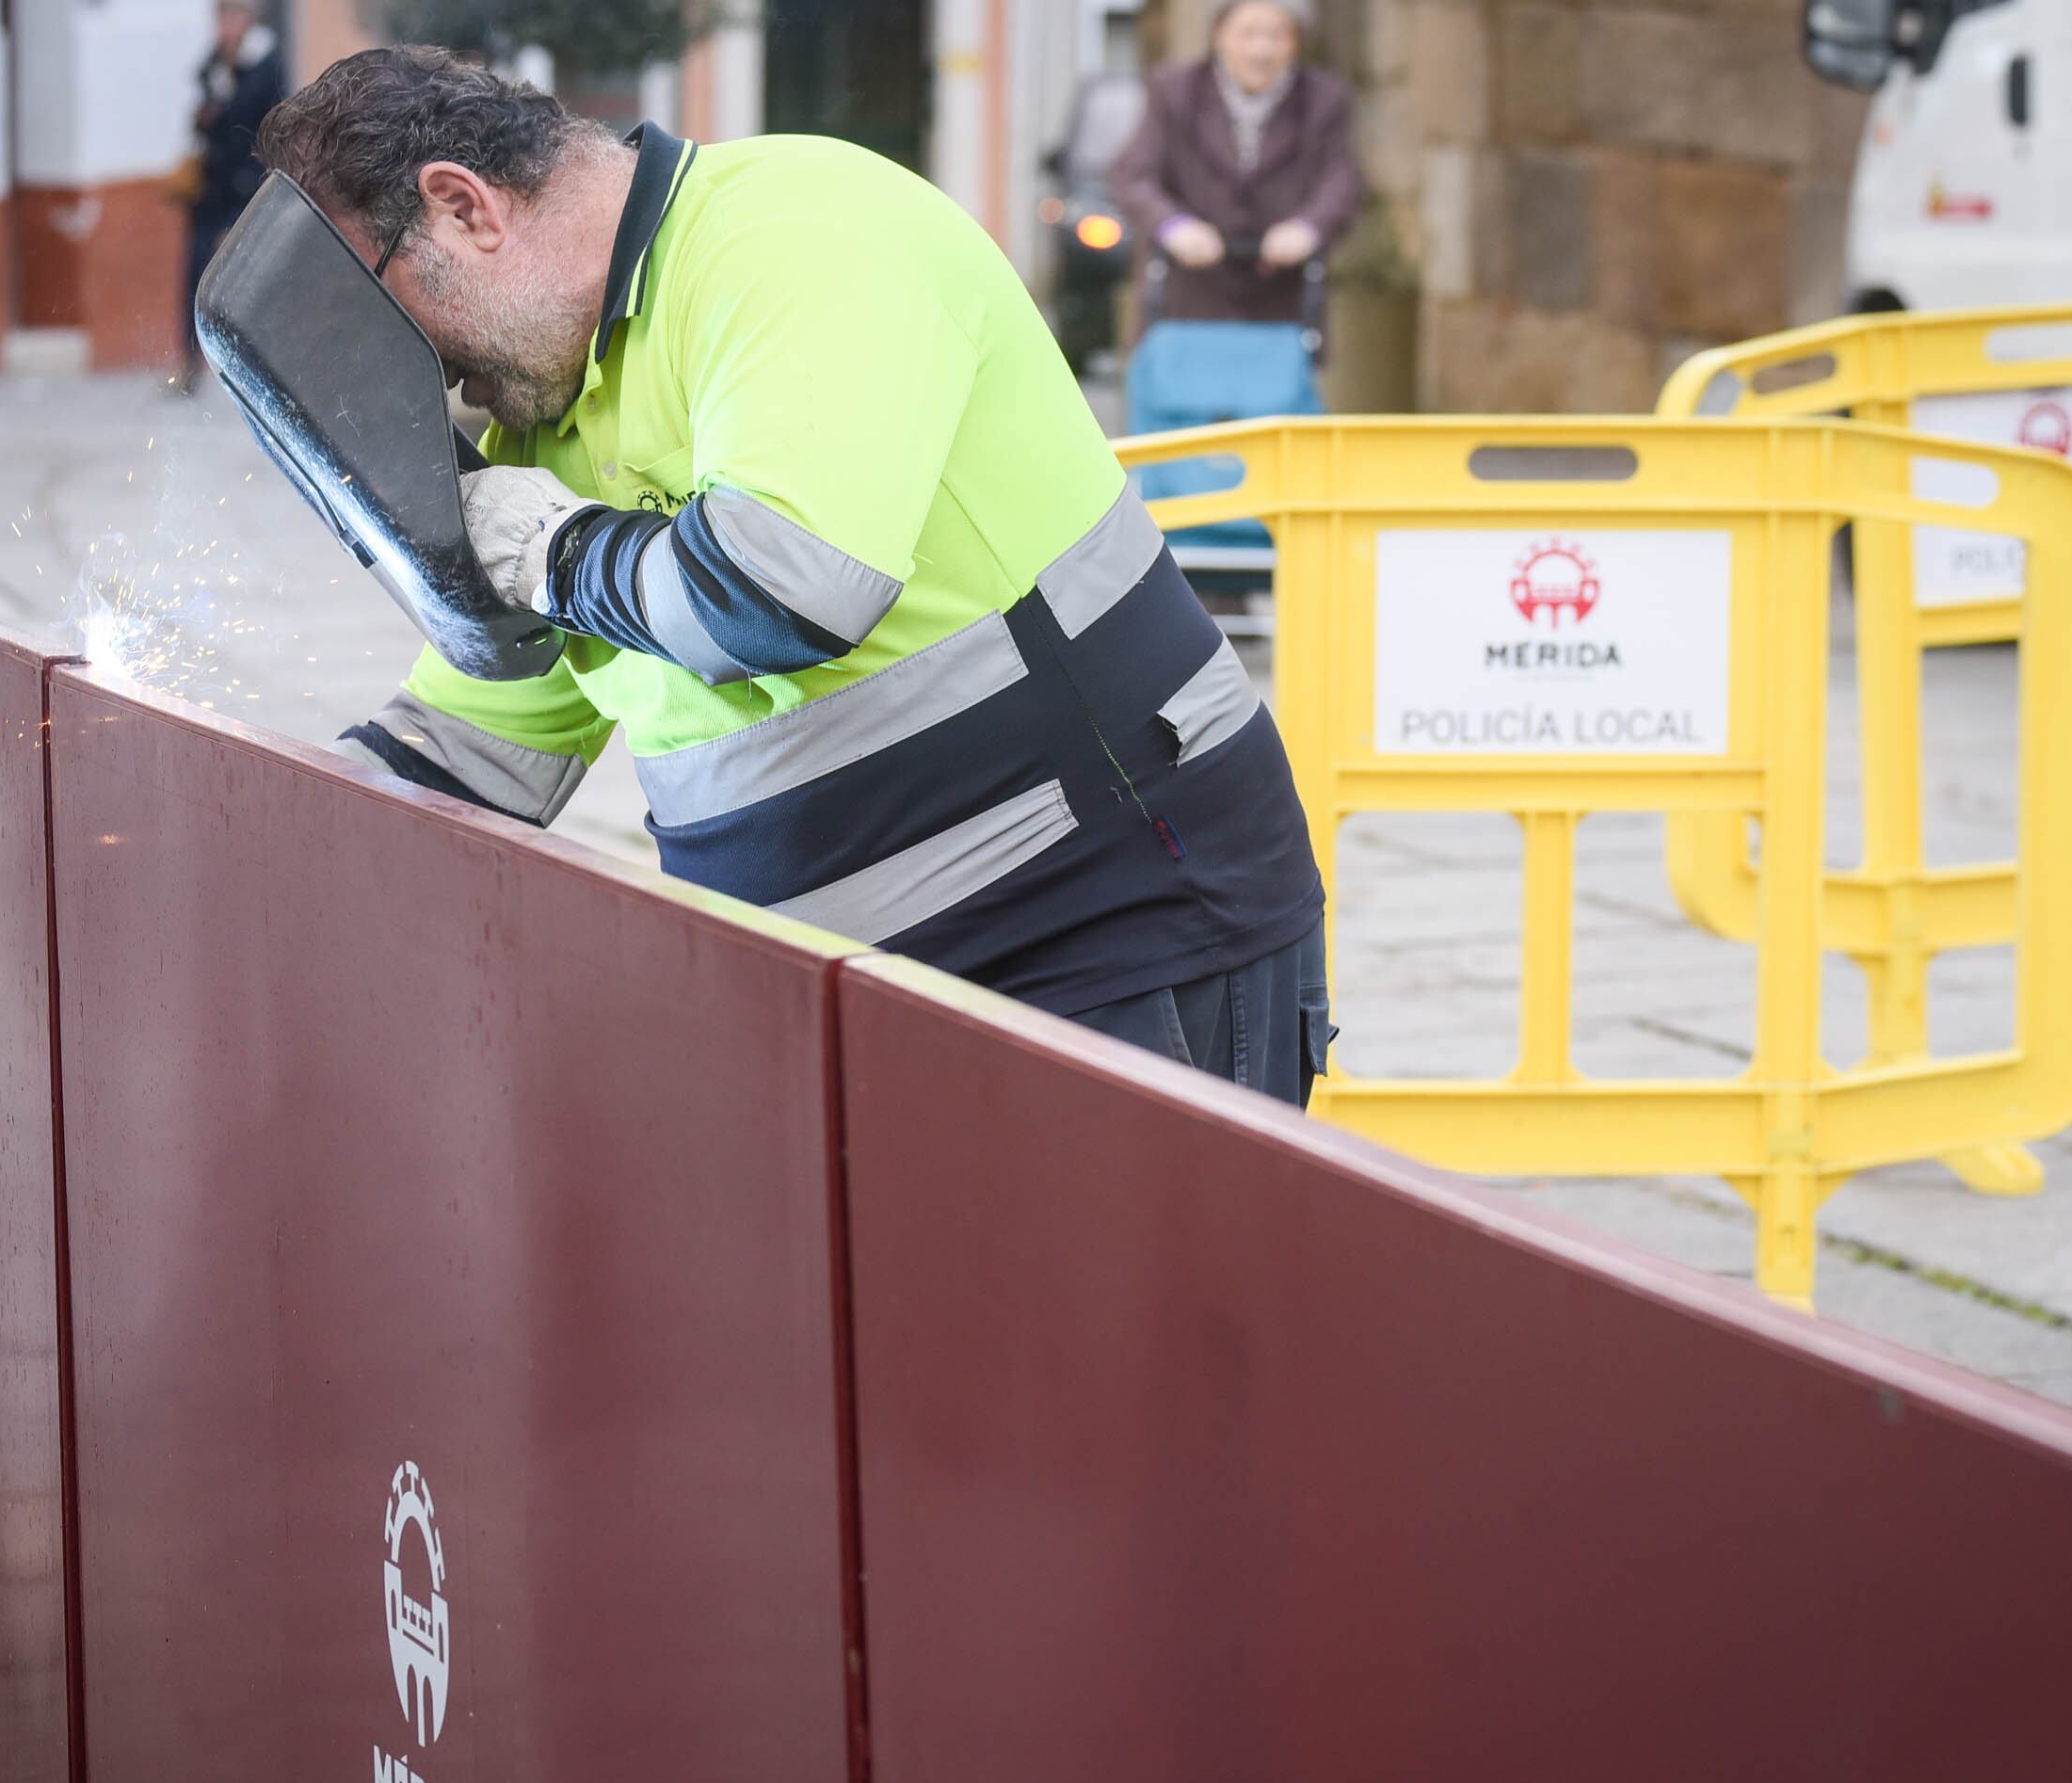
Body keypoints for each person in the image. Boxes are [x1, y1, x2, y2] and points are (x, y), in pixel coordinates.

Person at [251, 48, 1334, 1104]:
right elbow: (466, 752)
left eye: (387, 321)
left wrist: (553, 550)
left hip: (1108, 939)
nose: (423, 376)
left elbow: (787, 592)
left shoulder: (791, 235)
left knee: (1129, 1296)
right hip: (846, 1000)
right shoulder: (551, 413)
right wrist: (252, 844)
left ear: (463, 208)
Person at [1109, 0, 1363, 474]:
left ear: (1295, 42)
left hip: (1277, 297)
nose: (1261, 49)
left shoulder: (1325, 99)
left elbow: (1342, 181)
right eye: (1248, 33)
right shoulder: (1174, 91)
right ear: (1220, 35)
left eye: (1276, 35)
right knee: (1178, 421)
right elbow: (1134, 176)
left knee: (1275, 416)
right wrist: (1174, 226)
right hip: (1188, 293)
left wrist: (1307, 228)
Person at [184, 0, 285, 386]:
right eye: (221, 17)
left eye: (233, 16)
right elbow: (204, 116)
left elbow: (265, 124)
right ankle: (189, 361)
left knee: (246, 280)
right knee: (195, 271)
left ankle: (251, 365)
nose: (226, 26)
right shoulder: (214, 63)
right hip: (210, 187)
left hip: (246, 189)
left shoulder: (265, 63)